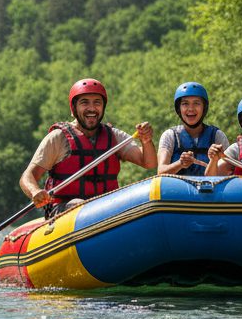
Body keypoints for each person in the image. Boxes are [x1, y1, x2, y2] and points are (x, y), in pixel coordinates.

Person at [19, 77, 156, 219]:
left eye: (97, 103)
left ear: (103, 107)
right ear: (73, 109)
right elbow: (27, 177)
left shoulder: (114, 136)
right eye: (85, 103)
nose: (92, 108)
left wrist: (146, 141)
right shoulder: (58, 138)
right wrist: (35, 192)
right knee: (79, 205)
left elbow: (149, 163)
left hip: (106, 208)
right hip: (65, 210)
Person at [157, 82, 229, 176]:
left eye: (196, 103)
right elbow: (161, 171)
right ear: (179, 109)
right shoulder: (169, 136)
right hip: (178, 190)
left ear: (204, 108)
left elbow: (228, 171)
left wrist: (214, 160)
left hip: (210, 190)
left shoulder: (217, 136)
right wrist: (180, 164)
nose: (191, 108)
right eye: (185, 104)